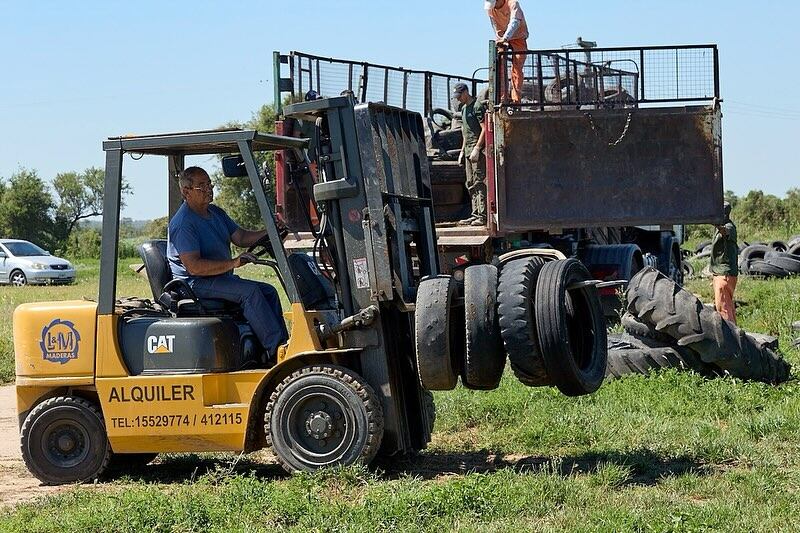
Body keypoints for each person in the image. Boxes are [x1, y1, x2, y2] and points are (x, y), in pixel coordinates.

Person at [167, 166, 289, 360]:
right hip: (195, 284)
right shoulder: (184, 223)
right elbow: (194, 267)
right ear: (186, 191)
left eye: (209, 184)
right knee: (250, 293)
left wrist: (270, 231)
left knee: (269, 292)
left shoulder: (215, 212)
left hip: (217, 279)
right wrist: (233, 263)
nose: (208, 189)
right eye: (201, 186)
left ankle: (282, 344)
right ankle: (278, 352)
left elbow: (240, 237)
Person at [454, 83, 487, 226]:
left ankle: (482, 215)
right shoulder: (463, 109)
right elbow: (465, 133)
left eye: (460, 95)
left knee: (479, 182)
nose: (458, 99)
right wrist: (462, 151)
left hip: (476, 150)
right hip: (467, 150)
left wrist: (478, 148)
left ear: (466, 92)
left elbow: (485, 129)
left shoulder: (477, 106)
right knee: (470, 183)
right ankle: (475, 214)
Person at [485, 0, 529, 103]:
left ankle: (516, 100)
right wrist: (500, 38)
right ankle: (501, 98)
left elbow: (515, 22)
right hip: (502, 38)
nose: (494, 7)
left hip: (518, 36)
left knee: (517, 68)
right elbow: (494, 25)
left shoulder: (512, 3)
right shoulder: (490, 9)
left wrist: (506, 37)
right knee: (499, 66)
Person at [710, 201, 739, 324]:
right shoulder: (722, 227)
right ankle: (735, 336)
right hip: (721, 274)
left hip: (724, 275)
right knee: (727, 307)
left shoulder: (729, 227)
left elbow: (725, 231)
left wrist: (715, 222)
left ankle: (730, 339)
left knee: (724, 311)